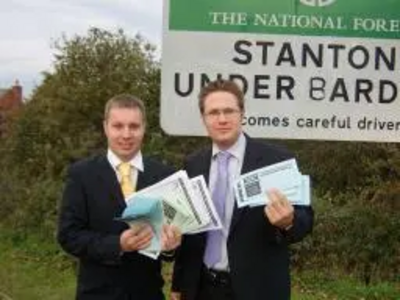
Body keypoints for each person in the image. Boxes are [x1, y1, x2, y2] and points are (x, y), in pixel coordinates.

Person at [171, 79, 314, 300]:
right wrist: (179, 284)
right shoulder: (193, 164)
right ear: (203, 119)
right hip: (202, 289)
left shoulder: (276, 160)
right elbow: (188, 229)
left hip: (257, 289)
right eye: (213, 112)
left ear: (242, 113)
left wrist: (289, 221)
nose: (222, 119)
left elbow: (306, 219)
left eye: (229, 111)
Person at [57, 94, 181, 300]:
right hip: (96, 295)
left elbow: (174, 243)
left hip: (148, 294)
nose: (126, 134)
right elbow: (68, 235)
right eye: (118, 126)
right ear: (105, 127)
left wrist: (170, 249)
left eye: (134, 126)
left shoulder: (164, 175)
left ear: (144, 128)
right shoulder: (81, 175)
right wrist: (117, 245)